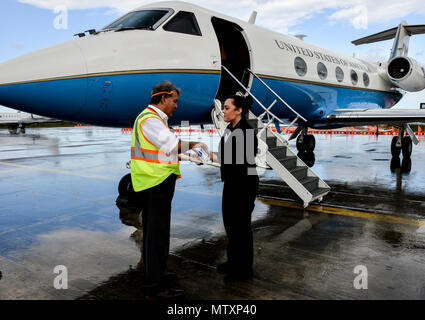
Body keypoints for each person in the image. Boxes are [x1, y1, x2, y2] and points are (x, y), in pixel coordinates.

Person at [130, 81, 208, 299]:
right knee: (158, 235)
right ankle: (154, 287)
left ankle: (157, 274)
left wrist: (188, 154)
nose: (176, 106)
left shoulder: (152, 119)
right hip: (155, 183)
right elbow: (172, 145)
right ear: (163, 98)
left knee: (155, 234)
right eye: (174, 101)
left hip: (153, 182)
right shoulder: (151, 120)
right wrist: (195, 145)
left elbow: (164, 149)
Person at [211, 93, 259, 282]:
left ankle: (244, 270)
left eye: (227, 108)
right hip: (232, 183)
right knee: (231, 226)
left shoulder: (246, 132)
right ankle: (233, 262)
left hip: (243, 186)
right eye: (224, 107)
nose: (223, 111)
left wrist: (214, 159)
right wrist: (209, 157)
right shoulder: (231, 128)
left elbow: (239, 163)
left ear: (239, 111)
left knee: (241, 229)